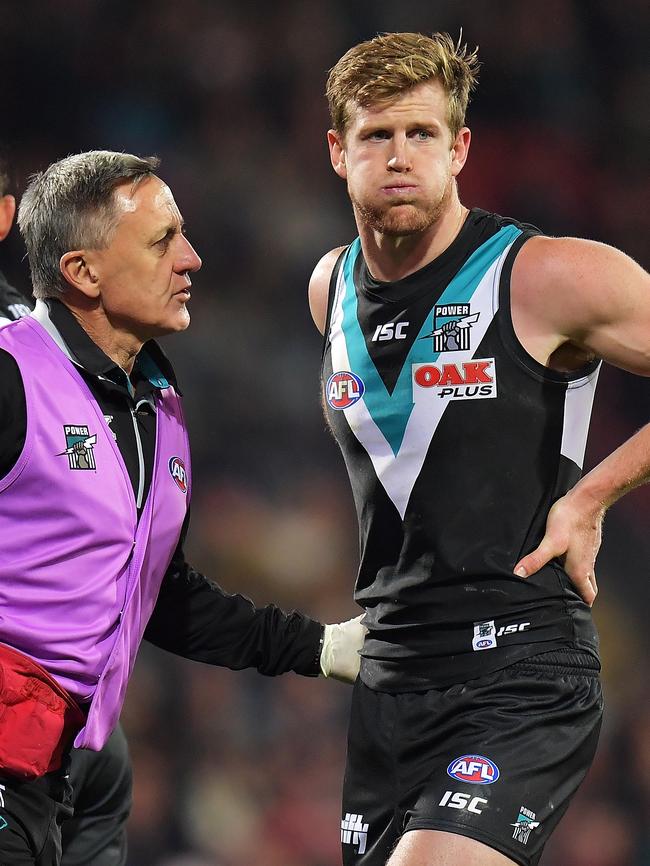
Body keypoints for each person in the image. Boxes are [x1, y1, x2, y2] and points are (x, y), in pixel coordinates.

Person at [308, 31, 650, 866]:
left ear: (460, 148)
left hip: (523, 665)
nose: (399, 156)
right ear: (336, 151)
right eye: (376, 135)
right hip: (392, 680)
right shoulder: (329, 289)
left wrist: (591, 495)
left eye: (422, 134)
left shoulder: (545, 274)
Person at [0, 149, 366, 866]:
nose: (192, 260)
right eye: (163, 241)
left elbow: (160, 597)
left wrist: (319, 648)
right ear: (83, 272)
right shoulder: (11, 374)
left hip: (66, 778)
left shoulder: (158, 406)